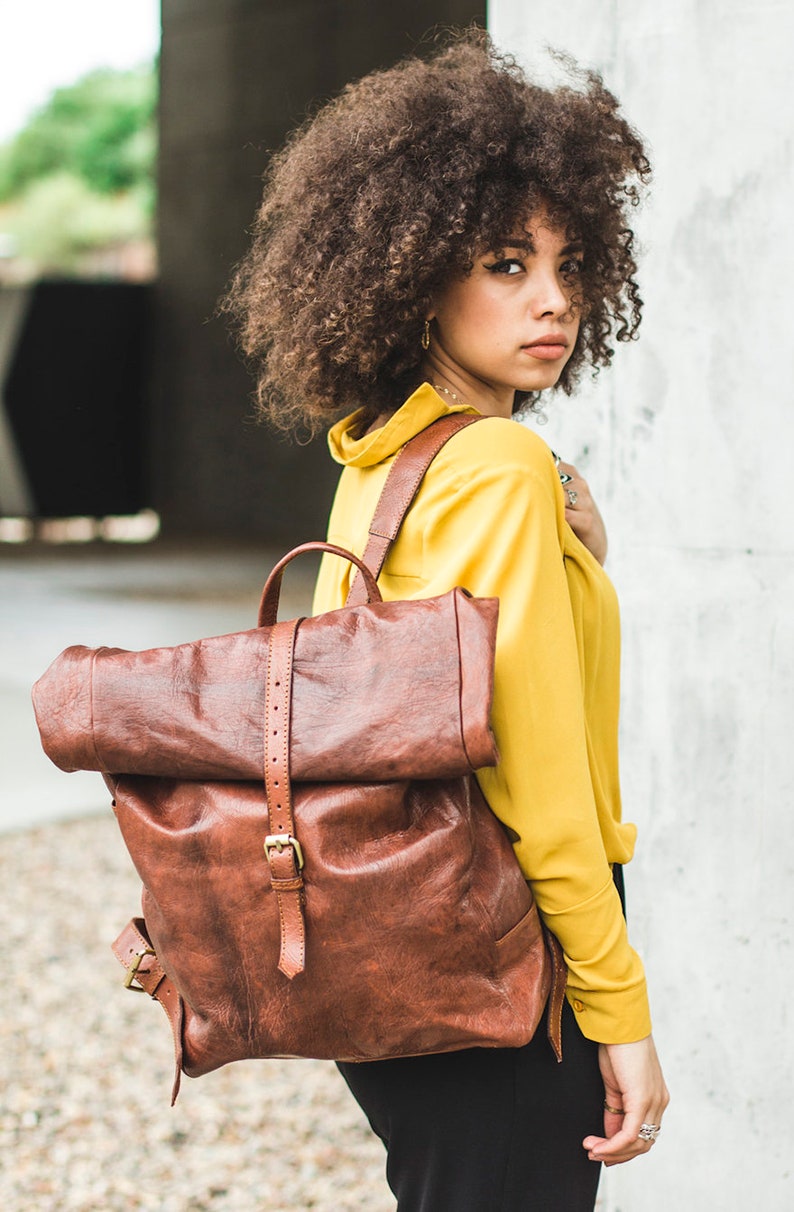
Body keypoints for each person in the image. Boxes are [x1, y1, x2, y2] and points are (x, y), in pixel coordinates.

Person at [223, 28, 669, 1212]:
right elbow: (534, 776)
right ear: (411, 269)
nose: (554, 300)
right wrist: (613, 1005)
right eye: (504, 263)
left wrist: (582, 565)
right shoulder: (500, 465)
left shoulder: (383, 463)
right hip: (503, 949)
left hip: (384, 933)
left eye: (568, 265)